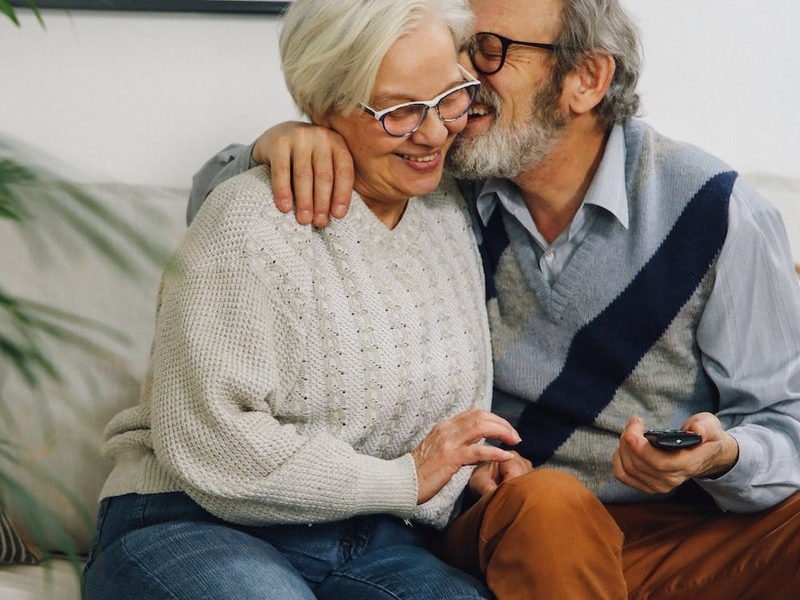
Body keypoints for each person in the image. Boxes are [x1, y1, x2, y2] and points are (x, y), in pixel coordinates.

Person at [187, 0, 800, 599]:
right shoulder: (438, 174)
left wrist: (721, 457)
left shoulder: (718, 213)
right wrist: (279, 144)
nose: (459, 79)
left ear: (586, 78)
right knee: (549, 504)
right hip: (522, 521)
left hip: (683, 532)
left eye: (488, 50)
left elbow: (786, 419)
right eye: (462, 47)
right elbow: (221, 215)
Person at [81, 1, 529, 599]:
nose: (432, 132)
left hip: (375, 542)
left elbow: (411, 412)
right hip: (192, 522)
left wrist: (468, 468)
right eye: (398, 110)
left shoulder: (448, 212)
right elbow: (211, 440)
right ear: (323, 105)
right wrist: (405, 479)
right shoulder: (249, 219)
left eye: (450, 97)